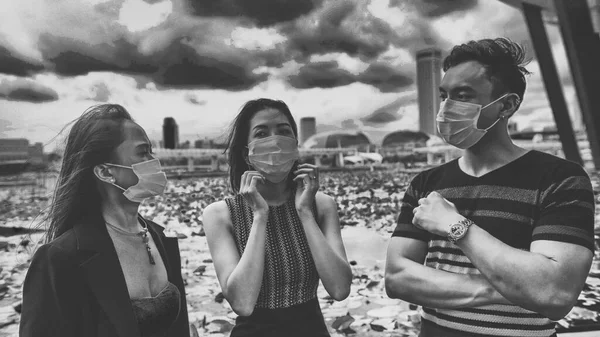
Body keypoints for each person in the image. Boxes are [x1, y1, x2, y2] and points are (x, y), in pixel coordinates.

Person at [385, 38, 595, 337]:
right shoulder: (426, 184)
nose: (446, 108)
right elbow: (396, 278)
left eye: (463, 95)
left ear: (507, 105)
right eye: (444, 95)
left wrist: (456, 225)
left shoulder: (559, 179)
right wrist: (512, 287)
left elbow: (553, 295)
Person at [20, 104, 190, 337]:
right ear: (106, 172)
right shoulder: (60, 258)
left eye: (152, 151)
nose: (154, 161)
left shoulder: (160, 238)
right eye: (143, 152)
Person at [203, 98, 352, 337]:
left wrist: (305, 214)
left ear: (295, 144)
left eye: (283, 132)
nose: (274, 141)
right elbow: (242, 302)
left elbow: (340, 288)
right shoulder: (220, 215)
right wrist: (260, 216)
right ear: (246, 152)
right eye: (262, 134)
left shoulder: (321, 205)